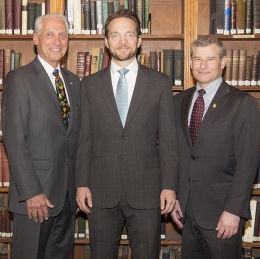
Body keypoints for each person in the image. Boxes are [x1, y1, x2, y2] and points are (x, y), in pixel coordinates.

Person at [75, 9, 179, 259]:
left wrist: (169, 186)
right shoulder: (89, 85)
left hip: (147, 190)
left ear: (139, 40)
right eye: (116, 35)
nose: (123, 41)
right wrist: (81, 183)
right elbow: (84, 138)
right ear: (106, 42)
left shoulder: (160, 83)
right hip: (100, 190)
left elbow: (168, 140)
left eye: (129, 34)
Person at [171, 36, 260, 259]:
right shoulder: (179, 101)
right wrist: (174, 197)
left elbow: (247, 163)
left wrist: (233, 211)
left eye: (210, 59)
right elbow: (177, 155)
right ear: (190, 63)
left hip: (223, 214)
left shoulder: (242, 103)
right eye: (197, 59)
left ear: (223, 62)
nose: (203, 65)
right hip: (187, 211)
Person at [2, 14, 81, 259]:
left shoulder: (74, 82)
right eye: (50, 34)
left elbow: (74, 138)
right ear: (36, 38)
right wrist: (31, 192)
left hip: (67, 198)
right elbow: (15, 141)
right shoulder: (19, 79)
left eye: (63, 34)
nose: (57, 41)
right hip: (35, 200)